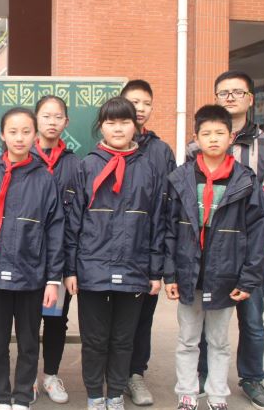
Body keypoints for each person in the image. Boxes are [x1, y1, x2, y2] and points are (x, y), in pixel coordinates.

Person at [188, 71, 264, 410]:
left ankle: (251, 377)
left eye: (237, 92)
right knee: (207, 317)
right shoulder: (194, 148)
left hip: (251, 253)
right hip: (208, 253)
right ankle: (204, 375)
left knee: (252, 318)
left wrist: (249, 233)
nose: (230, 97)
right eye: (223, 93)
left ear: (250, 99)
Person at [165, 105, 264, 410]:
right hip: (189, 273)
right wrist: (170, 274)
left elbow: (257, 234)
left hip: (225, 275)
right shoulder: (181, 178)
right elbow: (169, 230)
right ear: (196, 137)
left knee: (219, 341)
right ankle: (187, 392)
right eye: (206, 133)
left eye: (219, 133)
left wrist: (248, 278)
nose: (213, 139)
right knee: (188, 339)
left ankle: (217, 396)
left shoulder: (245, 181)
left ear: (231, 137)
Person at [64, 97, 164, 410]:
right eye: (111, 122)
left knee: (123, 339)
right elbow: (73, 223)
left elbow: (157, 223)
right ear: (101, 127)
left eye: (124, 122)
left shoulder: (149, 168)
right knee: (94, 339)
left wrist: (156, 271)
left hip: (135, 268)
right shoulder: (87, 166)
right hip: (91, 269)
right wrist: (70, 269)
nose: (118, 128)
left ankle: (116, 393)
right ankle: (95, 394)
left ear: (136, 126)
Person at [0, 107, 64, 410]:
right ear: (2, 135)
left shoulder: (44, 178)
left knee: (29, 342)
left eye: (26, 132)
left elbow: (55, 228)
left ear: (35, 135)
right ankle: (1, 396)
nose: (19, 138)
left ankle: (22, 396)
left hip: (31, 275)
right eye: (13, 131)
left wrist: (53, 279)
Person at [120, 79, 176, 406]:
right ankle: (112, 374)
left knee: (142, 318)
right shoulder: (104, 148)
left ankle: (135, 374)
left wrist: (163, 260)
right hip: (112, 251)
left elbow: (169, 206)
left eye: (146, 103)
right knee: (113, 321)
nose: (140, 108)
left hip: (147, 250)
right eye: (134, 102)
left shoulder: (160, 151)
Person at [32, 95, 80, 404]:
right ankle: (26, 378)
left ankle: (50, 375)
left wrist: (70, 265)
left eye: (58, 116)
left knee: (55, 318)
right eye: (46, 115)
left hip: (60, 256)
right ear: (35, 119)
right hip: (25, 256)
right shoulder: (21, 157)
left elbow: (79, 215)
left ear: (66, 122)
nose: (52, 121)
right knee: (25, 320)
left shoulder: (76, 164)